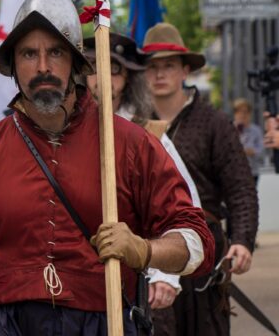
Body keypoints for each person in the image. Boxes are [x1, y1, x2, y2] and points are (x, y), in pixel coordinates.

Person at [0, 0, 213, 336]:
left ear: (74, 62)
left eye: (55, 52)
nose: (42, 67)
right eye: (28, 54)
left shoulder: (130, 144)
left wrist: (143, 250)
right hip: (6, 327)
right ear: (13, 66)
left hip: (104, 323)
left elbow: (197, 241)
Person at [141, 23, 259, 336]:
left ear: (185, 71)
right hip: (150, 251)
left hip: (205, 251)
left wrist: (243, 240)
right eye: (152, 67)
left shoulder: (214, 123)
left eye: (168, 66)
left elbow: (240, 188)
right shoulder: (131, 125)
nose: (159, 74)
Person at [82, 32, 203, 322]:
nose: (103, 78)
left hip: (135, 289)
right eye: (93, 67)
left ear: (127, 78)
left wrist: (164, 276)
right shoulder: (60, 135)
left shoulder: (148, 137)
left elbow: (186, 215)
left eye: (114, 68)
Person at [232, 98, 265, 185]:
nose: (242, 115)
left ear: (250, 114)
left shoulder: (256, 130)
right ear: (235, 114)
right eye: (239, 112)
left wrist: (253, 151)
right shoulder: (230, 129)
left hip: (252, 172)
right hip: (234, 173)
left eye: (245, 112)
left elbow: (262, 150)